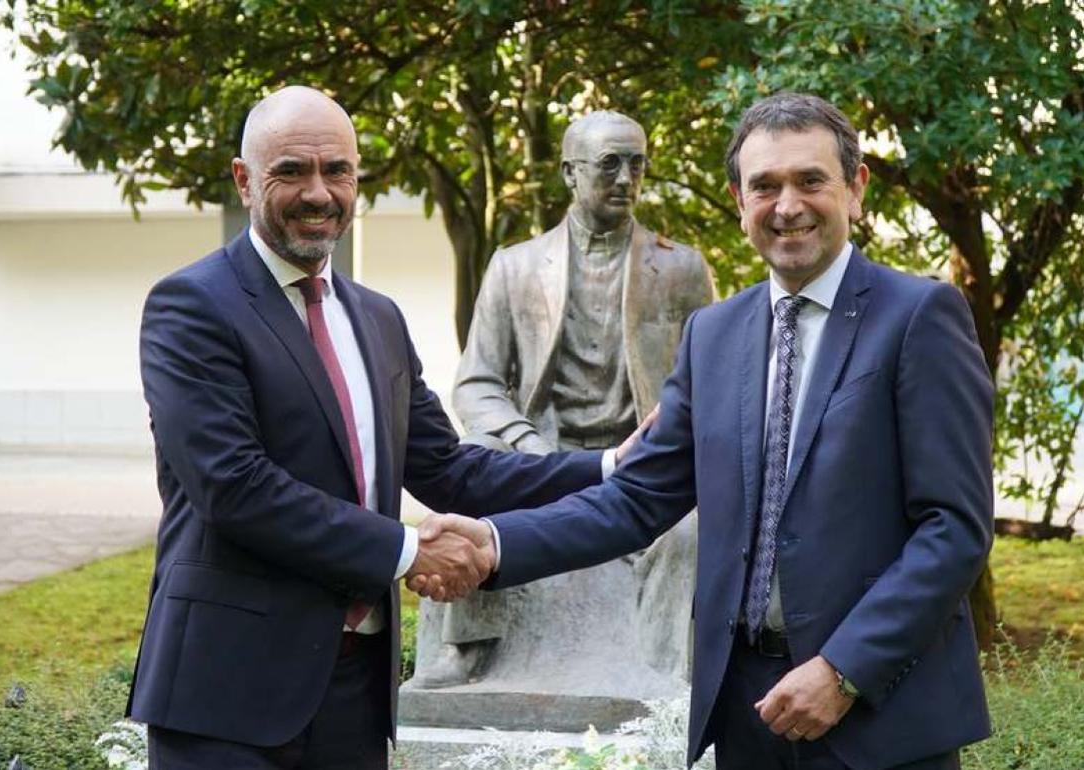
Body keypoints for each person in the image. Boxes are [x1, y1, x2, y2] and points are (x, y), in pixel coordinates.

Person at [417, 92, 995, 769]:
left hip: (881, 716)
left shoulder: (920, 316)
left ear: (855, 188)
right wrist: (492, 544)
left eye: (811, 180)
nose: (788, 205)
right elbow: (635, 499)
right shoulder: (714, 335)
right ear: (738, 198)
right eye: (765, 186)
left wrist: (843, 670)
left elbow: (953, 528)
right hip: (747, 711)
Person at [127, 85, 639, 770]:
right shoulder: (191, 306)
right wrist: (408, 551)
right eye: (292, 171)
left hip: (356, 692)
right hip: (227, 693)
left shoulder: (378, 319)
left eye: (337, 170)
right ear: (244, 181)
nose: (319, 192)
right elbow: (235, 488)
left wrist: (609, 465)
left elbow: (449, 468)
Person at [417, 111, 713, 688]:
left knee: (697, 515)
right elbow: (476, 383)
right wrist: (525, 443)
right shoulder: (514, 266)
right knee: (473, 471)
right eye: (609, 165)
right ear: (569, 174)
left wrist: (658, 447)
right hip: (541, 451)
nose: (626, 178)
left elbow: (707, 385)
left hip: (641, 461)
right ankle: (467, 650)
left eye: (637, 163)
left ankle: (665, 671)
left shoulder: (681, 268)